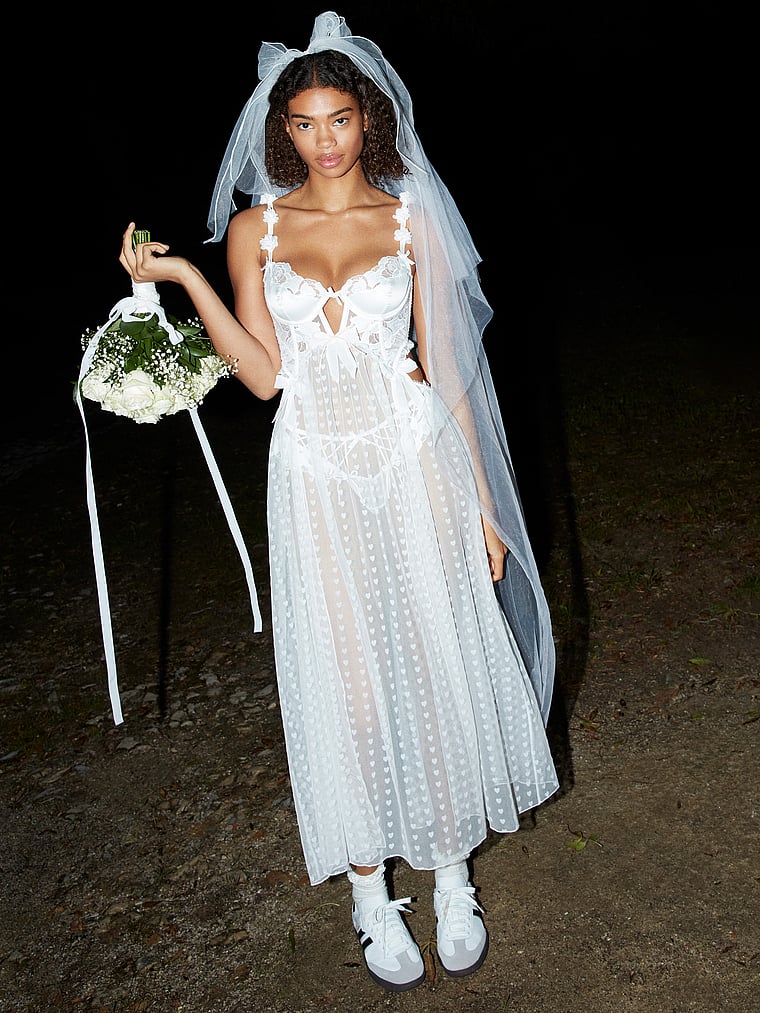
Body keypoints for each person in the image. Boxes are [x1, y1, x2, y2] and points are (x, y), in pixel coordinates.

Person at [118, 10, 559, 992]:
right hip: (313, 472)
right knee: (347, 685)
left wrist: (483, 506)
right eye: (305, 123)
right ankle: (369, 893)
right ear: (282, 129)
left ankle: (451, 876)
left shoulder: (409, 220)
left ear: (369, 119)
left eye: (340, 119)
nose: (325, 140)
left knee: (436, 663)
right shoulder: (254, 229)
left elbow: (448, 372)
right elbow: (264, 377)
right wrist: (185, 275)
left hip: (414, 461)